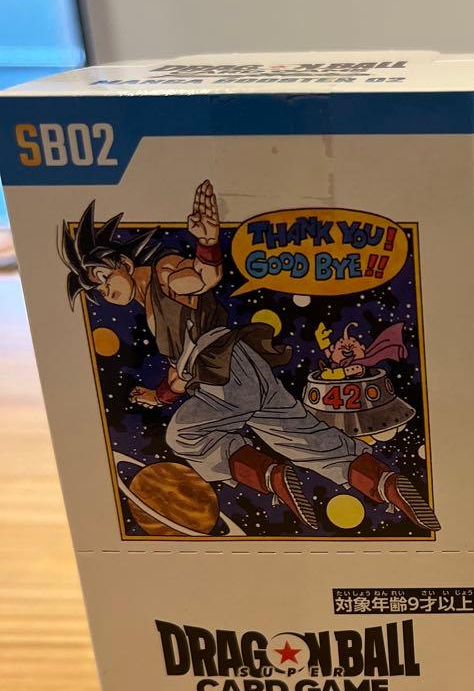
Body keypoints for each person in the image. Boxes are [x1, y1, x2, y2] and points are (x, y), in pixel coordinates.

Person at [61, 181, 439, 532]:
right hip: (245, 367)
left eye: (102, 277)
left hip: (224, 374)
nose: (103, 290)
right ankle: (387, 484)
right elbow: (180, 373)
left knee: (183, 435)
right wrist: (158, 396)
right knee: (307, 439)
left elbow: (201, 278)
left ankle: (270, 475)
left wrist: (208, 244)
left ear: (124, 264)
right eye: (96, 288)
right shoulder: (151, 307)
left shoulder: (163, 274)